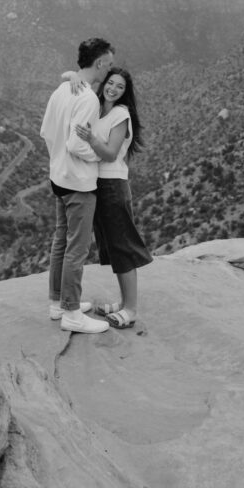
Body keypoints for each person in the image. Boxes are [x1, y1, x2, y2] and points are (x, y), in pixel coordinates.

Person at [40, 37, 115, 334]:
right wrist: (98, 154)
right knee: (77, 248)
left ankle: (57, 303)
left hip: (58, 178)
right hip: (79, 185)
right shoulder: (87, 99)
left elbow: (47, 132)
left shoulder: (62, 90)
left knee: (61, 241)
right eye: (108, 64)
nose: (109, 70)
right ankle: (72, 313)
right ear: (98, 63)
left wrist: (59, 160)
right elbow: (76, 144)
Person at [73, 67, 152, 329]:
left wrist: (92, 139)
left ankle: (130, 309)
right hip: (99, 185)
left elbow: (109, 153)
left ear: (125, 92)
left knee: (123, 247)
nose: (114, 89)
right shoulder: (98, 109)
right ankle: (123, 302)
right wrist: (73, 77)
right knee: (113, 248)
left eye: (120, 86)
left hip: (113, 186)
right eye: (111, 83)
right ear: (104, 83)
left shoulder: (121, 114)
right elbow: (77, 81)